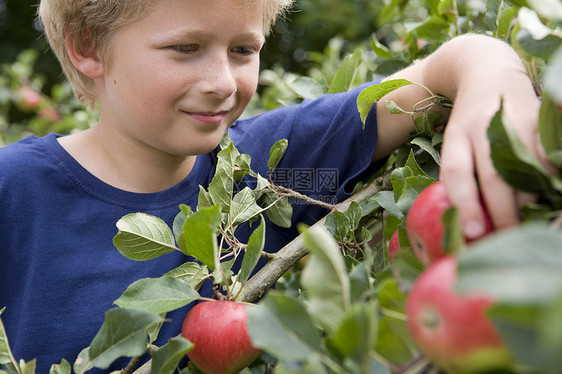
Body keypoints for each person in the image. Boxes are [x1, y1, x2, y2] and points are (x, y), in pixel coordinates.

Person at [0, 0, 542, 372]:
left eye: (242, 50)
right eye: (186, 48)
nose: (222, 82)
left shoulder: (273, 169)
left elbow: (447, 67)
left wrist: (497, 80)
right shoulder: (15, 190)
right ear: (87, 47)